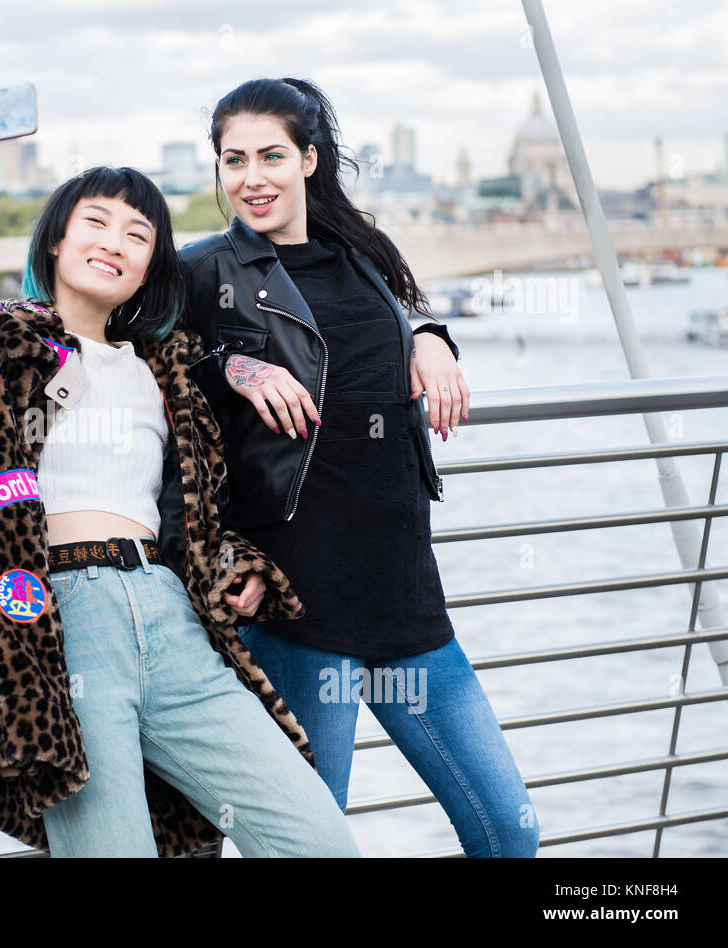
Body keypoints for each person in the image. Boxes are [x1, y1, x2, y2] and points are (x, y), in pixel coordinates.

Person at [0, 81, 360, 857]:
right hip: (55, 620)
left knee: (317, 841)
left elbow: (191, 508)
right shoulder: (1, 346)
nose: (115, 242)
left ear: (150, 266)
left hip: (171, 618)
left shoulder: (168, 373)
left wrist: (231, 564)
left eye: (138, 234)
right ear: (56, 242)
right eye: (95, 222)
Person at [178, 77, 539, 857]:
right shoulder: (205, 272)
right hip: (297, 601)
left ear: (309, 158)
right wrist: (238, 368)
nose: (252, 177)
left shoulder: (363, 253)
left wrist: (431, 334)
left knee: (508, 831)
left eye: (272, 155)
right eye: (233, 160)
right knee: (314, 844)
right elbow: (147, 368)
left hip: (404, 590)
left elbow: (397, 316)